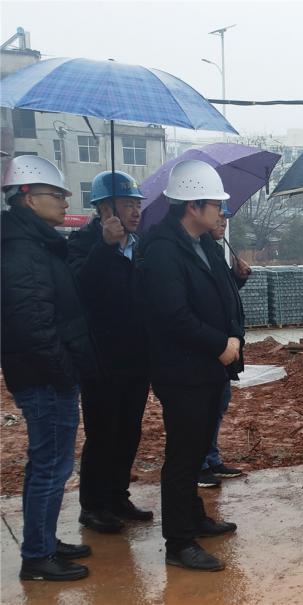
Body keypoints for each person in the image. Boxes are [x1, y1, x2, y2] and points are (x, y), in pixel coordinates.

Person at [137, 160, 243, 571]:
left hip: (209, 368)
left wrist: (233, 333)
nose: (221, 212)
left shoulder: (204, 244)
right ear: (193, 206)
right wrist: (219, 344)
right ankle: (179, 542)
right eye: (216, 205)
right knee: (183, 456)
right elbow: (172, 315)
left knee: (198, 449)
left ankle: (194, 516)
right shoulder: (163, 249)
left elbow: (221, 292)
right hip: (182, 371)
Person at [1, 155, 96, 581]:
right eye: (55, 194)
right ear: (27, 197)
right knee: (51, 466)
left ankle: (43, 540)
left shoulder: (37, 244)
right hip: (44, 378)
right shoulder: (22, 252)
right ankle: (38, 557)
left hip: (47, 374)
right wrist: (64, 374)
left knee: (48, 464)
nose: (64, 201)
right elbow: (33, 325)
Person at [67, 170, 152, 534]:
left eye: (137, 205)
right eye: (127, 204)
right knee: (103, 433)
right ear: (104, 208)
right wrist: (104, 247)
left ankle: (118, 496)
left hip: (136, 356)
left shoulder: (139, 246)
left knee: (129, 430)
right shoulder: (82, 243)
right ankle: (93, 505)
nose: (135, 211)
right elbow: (80, 289)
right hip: (101, 358)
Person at [198, 202, 250, 489]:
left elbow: (223, 296)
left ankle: (211, 457)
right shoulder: (198, 252)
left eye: (226, 217)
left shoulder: (214, 251)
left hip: (224, 346)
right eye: (218, 216)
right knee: (204, 408)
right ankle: (199, 463)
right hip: (211, 348)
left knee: (218, 404)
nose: (223, 222)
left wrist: (237, 278)